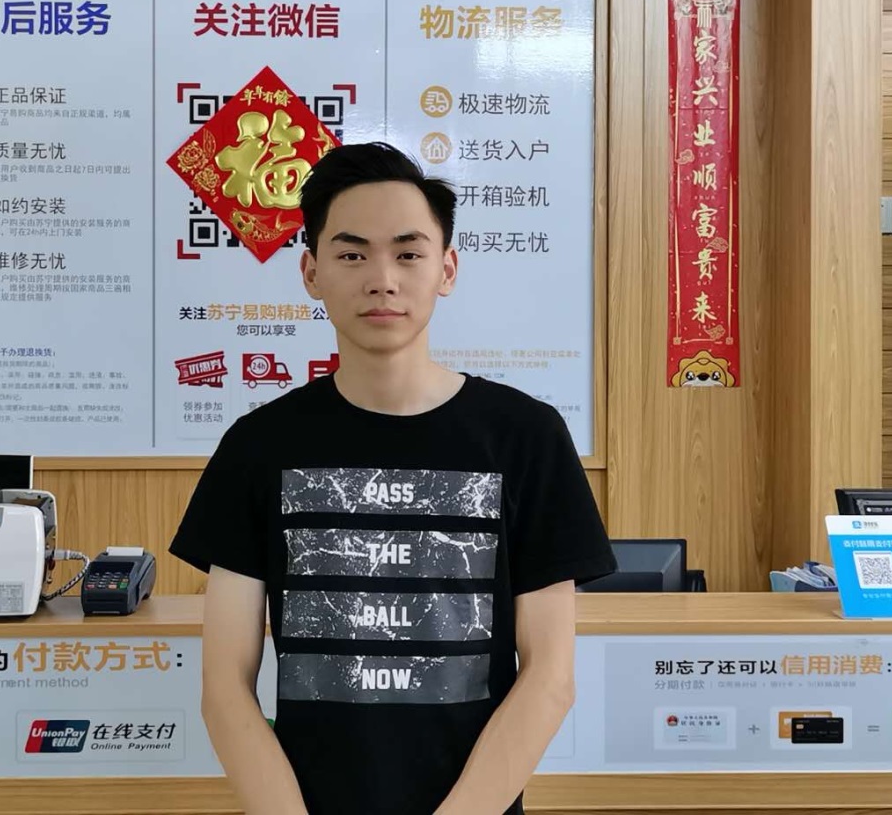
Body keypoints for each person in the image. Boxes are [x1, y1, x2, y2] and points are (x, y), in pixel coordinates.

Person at [170, 141, 615, 815]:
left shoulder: (526, 437)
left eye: (408, 254)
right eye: (352, 255)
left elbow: (550, 677)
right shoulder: (257, 446)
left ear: (446, 269)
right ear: (311, 272)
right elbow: (224, 686)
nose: (382, 279)